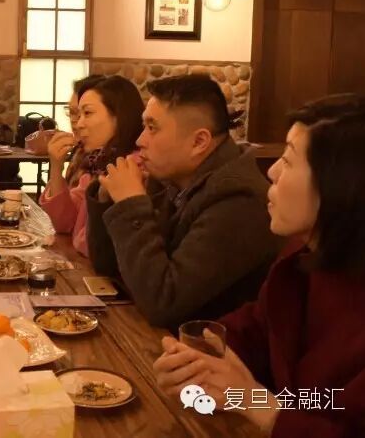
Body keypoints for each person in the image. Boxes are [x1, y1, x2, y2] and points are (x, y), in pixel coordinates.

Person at [153, 94, 365, 436]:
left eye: (288, 159)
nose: (271, 171)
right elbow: (257, 328)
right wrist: (196, 359)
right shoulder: (303, 259)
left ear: (343, 184)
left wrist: (255, 402)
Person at [86, 74, 283, 328]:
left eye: (152, 127)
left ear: (199, 142)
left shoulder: (239, 202)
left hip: (206, 348)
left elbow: (163, 302)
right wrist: (108, 199)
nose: (139, 140)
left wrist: (131, 206)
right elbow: (108, 269)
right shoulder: (173, 180)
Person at [40, 75, 143, 256]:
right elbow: (64, 222)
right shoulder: (98, 163)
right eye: (74, 114)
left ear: (119, 116)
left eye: (87, 113)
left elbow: (91, 245)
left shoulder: (132, 169)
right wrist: (56, 167)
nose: (78, 124)